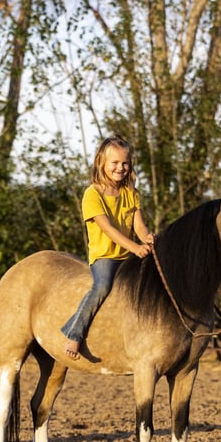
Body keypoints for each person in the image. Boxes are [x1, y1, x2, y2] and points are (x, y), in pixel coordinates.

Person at [61, 135, 155, 360]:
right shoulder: (92, 195)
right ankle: (75, 333)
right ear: (101, 163)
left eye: (125, 163)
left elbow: (139, 225)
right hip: (105, 257)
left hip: (128, 255)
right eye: (115, 163)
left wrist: (148, 239)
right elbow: (108, 229)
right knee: (102, 287)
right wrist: (135, 247)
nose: (120, 168)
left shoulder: (131, 193)